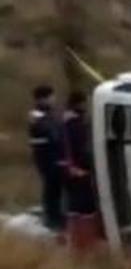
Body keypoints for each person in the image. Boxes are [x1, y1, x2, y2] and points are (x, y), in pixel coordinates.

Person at [27, 85, 65, 231]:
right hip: (46, 158)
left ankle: (56, 216)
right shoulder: (37, 116)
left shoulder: (48, 115)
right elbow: (52, 134)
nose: (53, 100)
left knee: (55, 189)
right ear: (43, 99)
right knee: (51, 189)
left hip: (53, 157)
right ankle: (52, 219)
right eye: (51, 97)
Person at [62, 91, 97, 217]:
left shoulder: (73, 121)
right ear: (79, 104)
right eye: (85, 103)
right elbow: (77, 146)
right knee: (81, 202)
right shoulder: (73, 124)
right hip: (78, 167)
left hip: (76, 166)